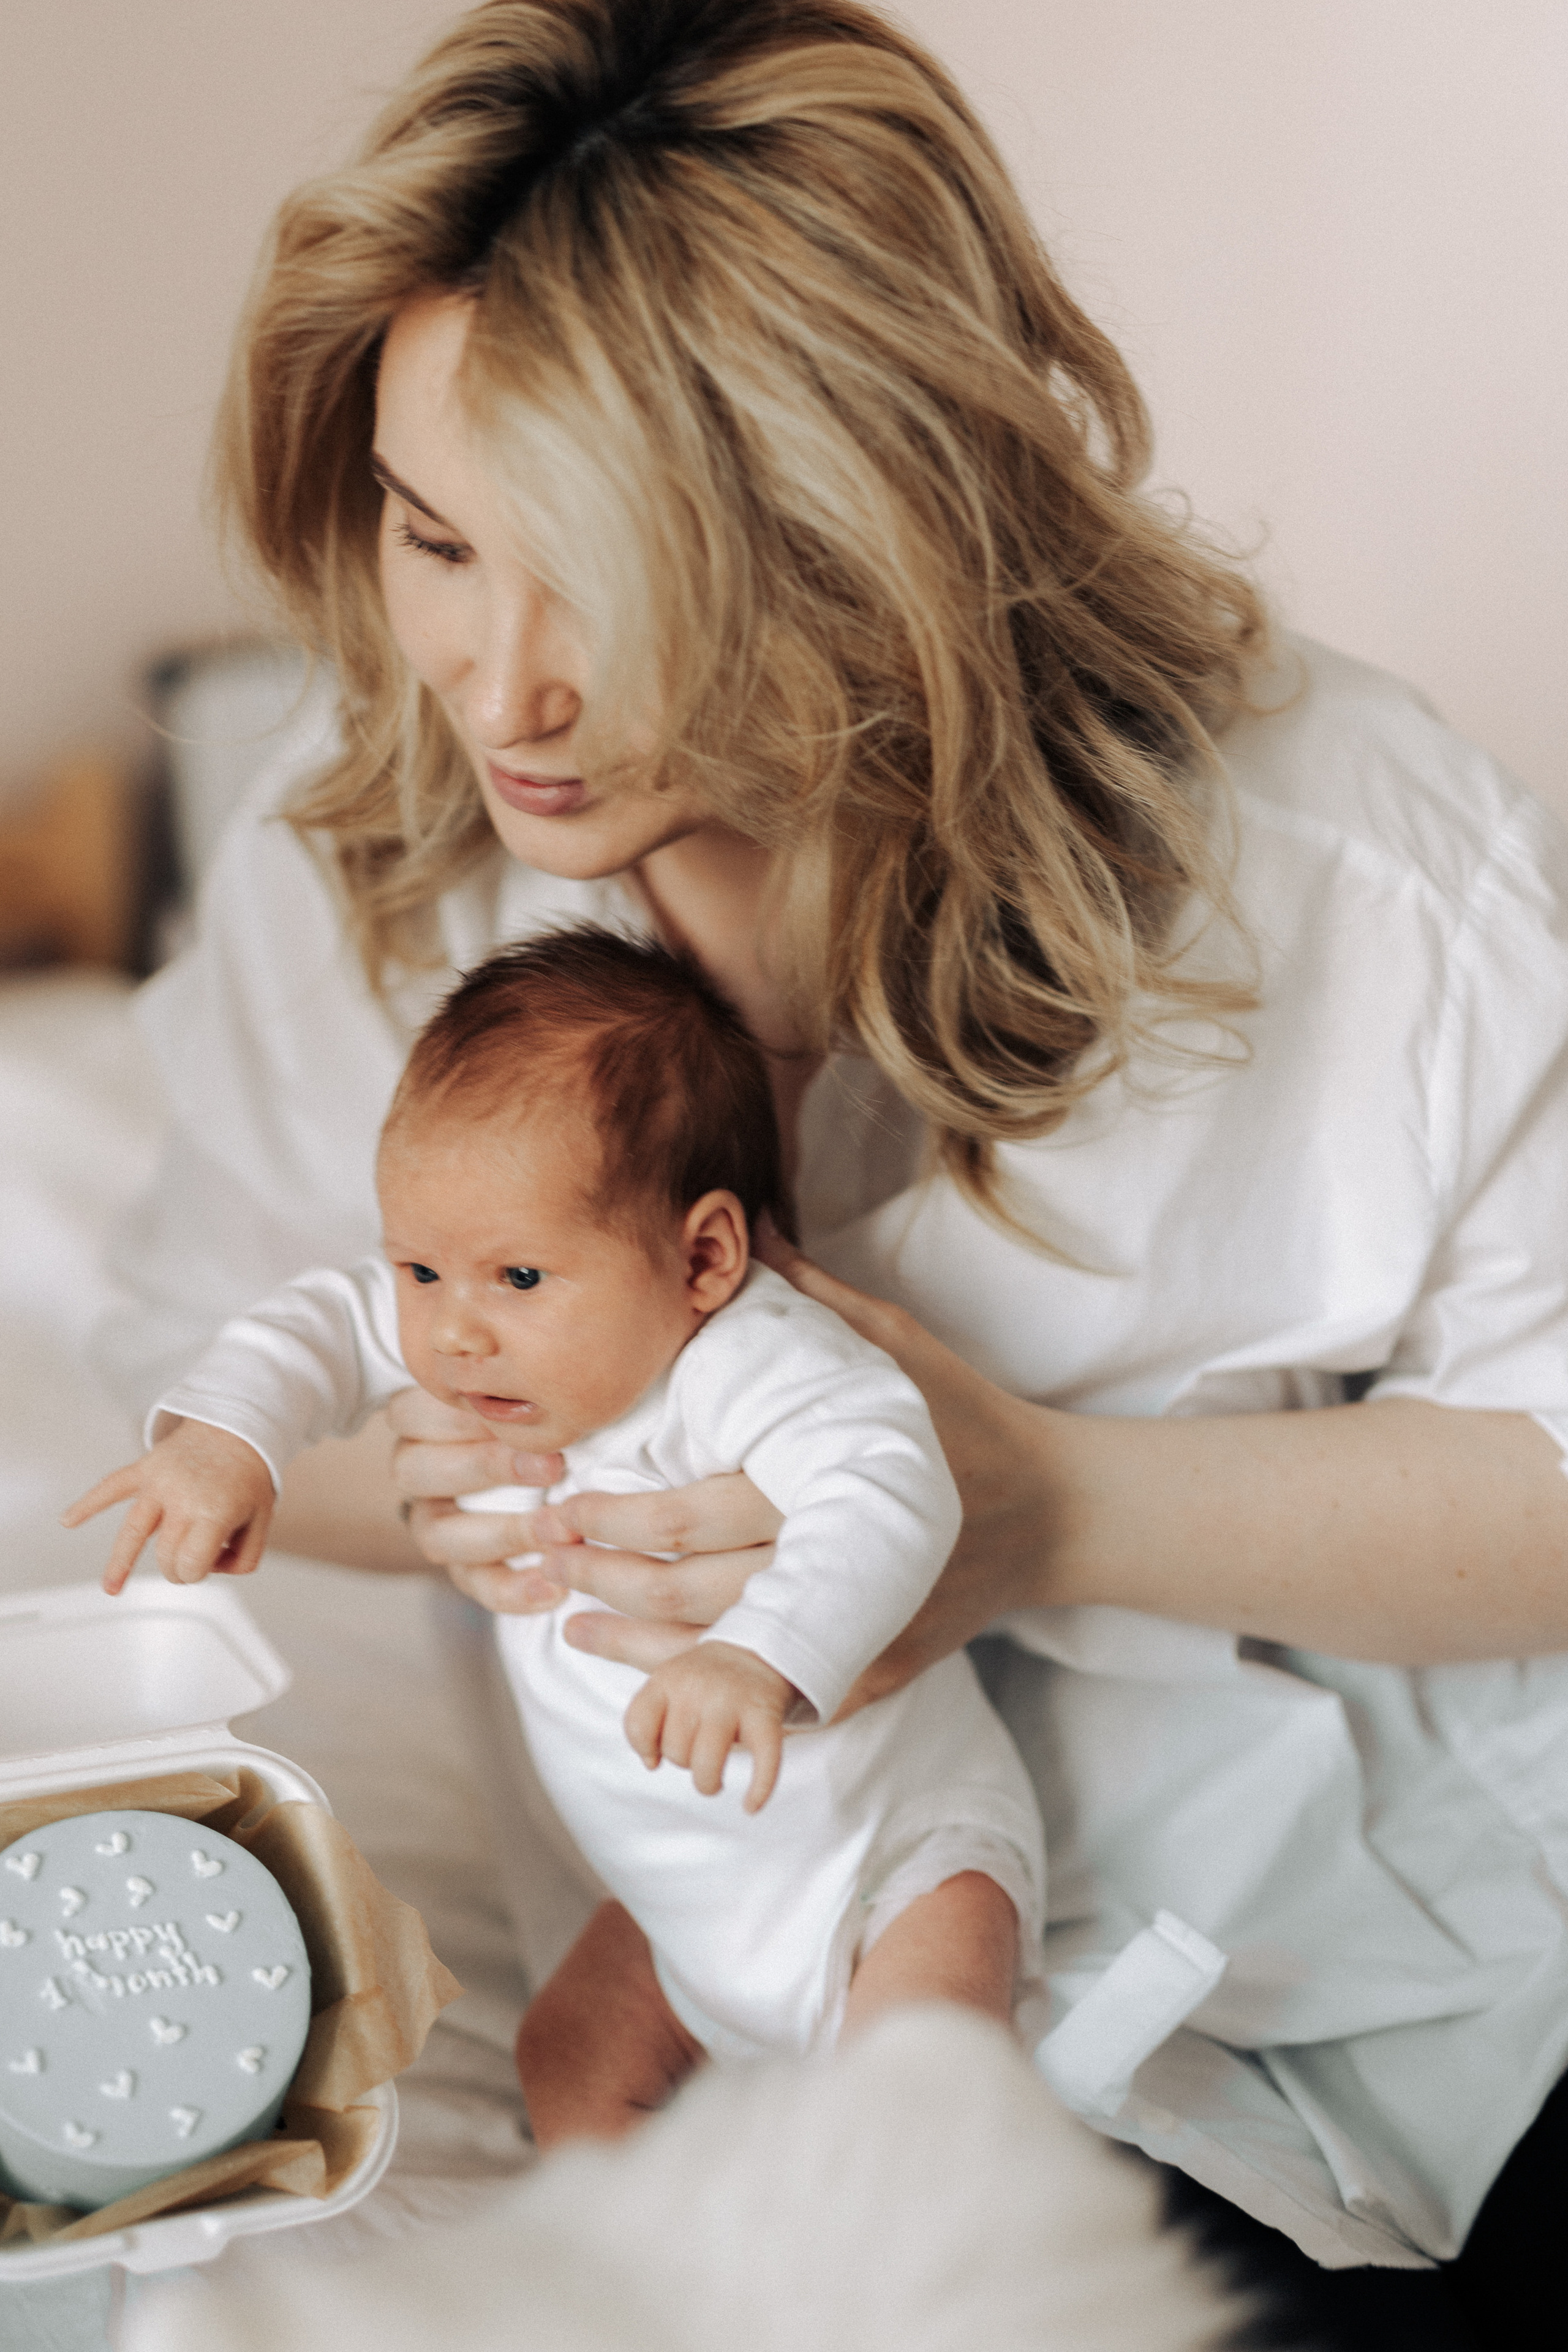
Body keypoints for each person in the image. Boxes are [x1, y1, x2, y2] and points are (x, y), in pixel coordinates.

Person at [91, 0, 1568, 2339]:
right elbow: (251, 1416)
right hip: (740, 1939)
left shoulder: (1353, 871)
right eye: (435, 536)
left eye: (602, 568)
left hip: (1365, 1983)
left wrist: (1046, 1511)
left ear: (861, 523)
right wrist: (495, 1473)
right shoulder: (360, 850)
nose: (502, 686)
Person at [70, 929, 1045, 2139]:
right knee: (567, 2057)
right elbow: (318, 1322)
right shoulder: (472, 1313)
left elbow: (892, 1485)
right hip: (677, 1900)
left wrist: (761, 1652)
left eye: (517, 1280)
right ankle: (636, 2271)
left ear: (702, 1258)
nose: (452, 1332)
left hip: (892, 1859)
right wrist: (223, 1439)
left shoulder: (752, 1358)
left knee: (925, 2109)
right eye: (418, 1270)